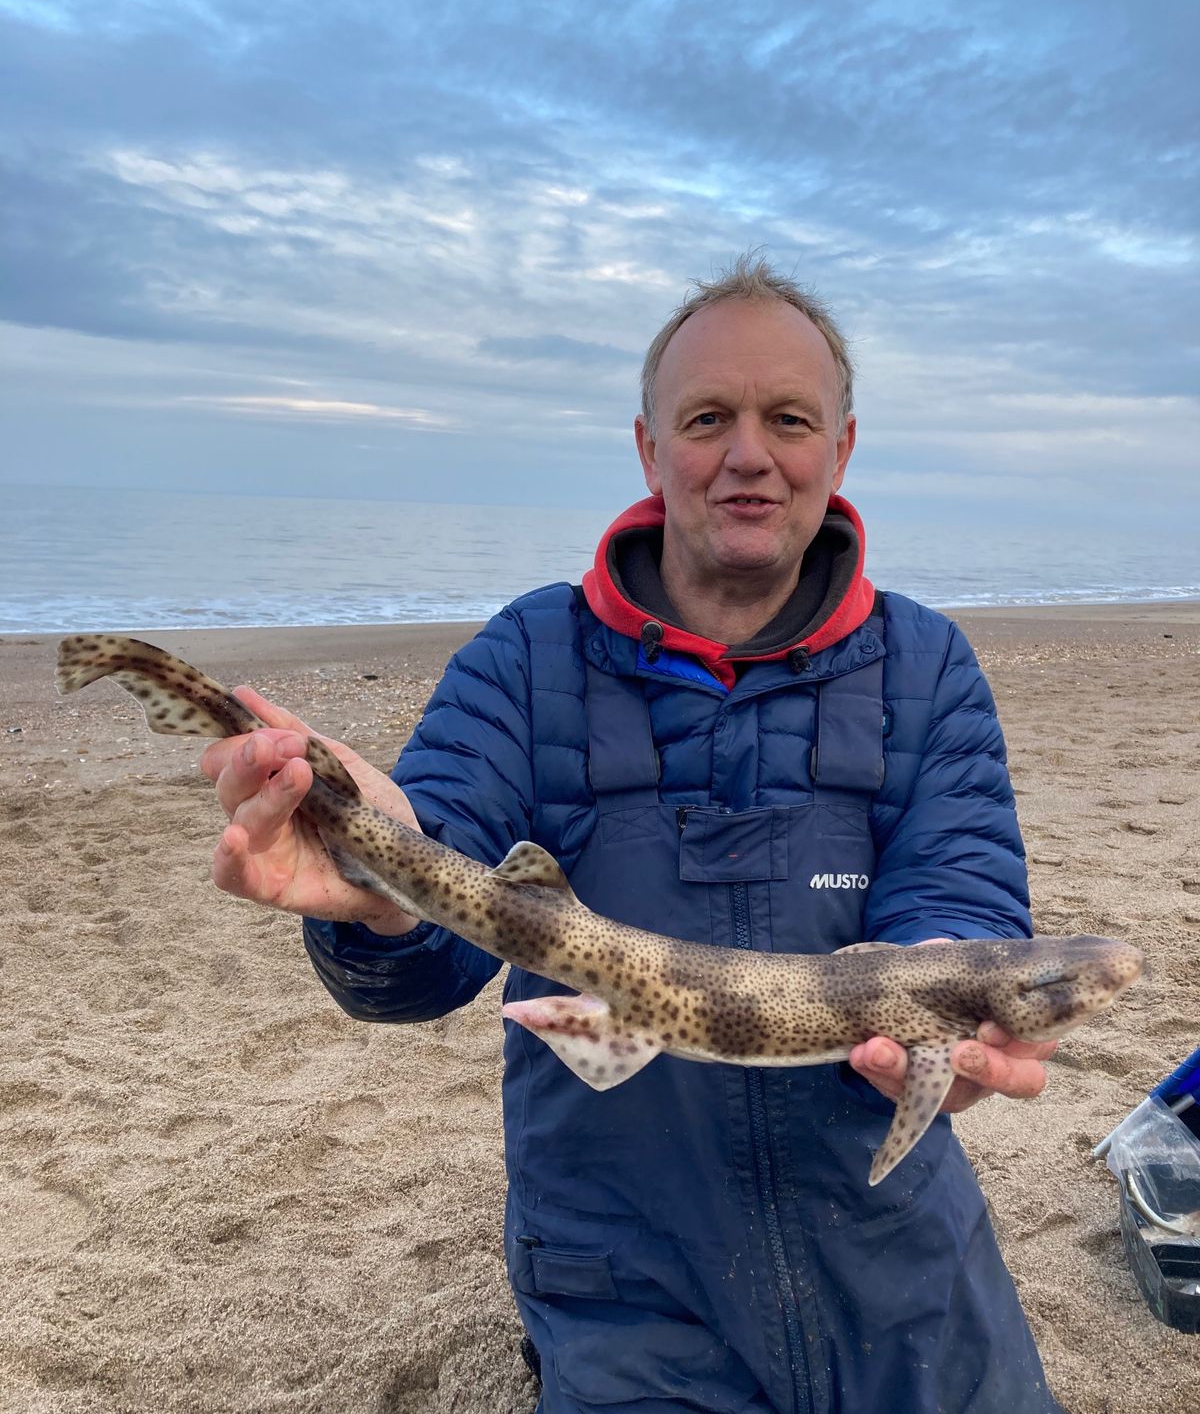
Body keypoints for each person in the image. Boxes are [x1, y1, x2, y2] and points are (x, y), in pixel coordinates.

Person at [202, 256, 1062, 1414]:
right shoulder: (529, 660)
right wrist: (385, 885)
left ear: (841, 449)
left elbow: (959, 894)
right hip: (622, 1259)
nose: (748, 454)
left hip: (892, 1248)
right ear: (652, 450)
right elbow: (425, 945)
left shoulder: (926, 668)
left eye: (788, 420)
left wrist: (948, 1033)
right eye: (709, 418)